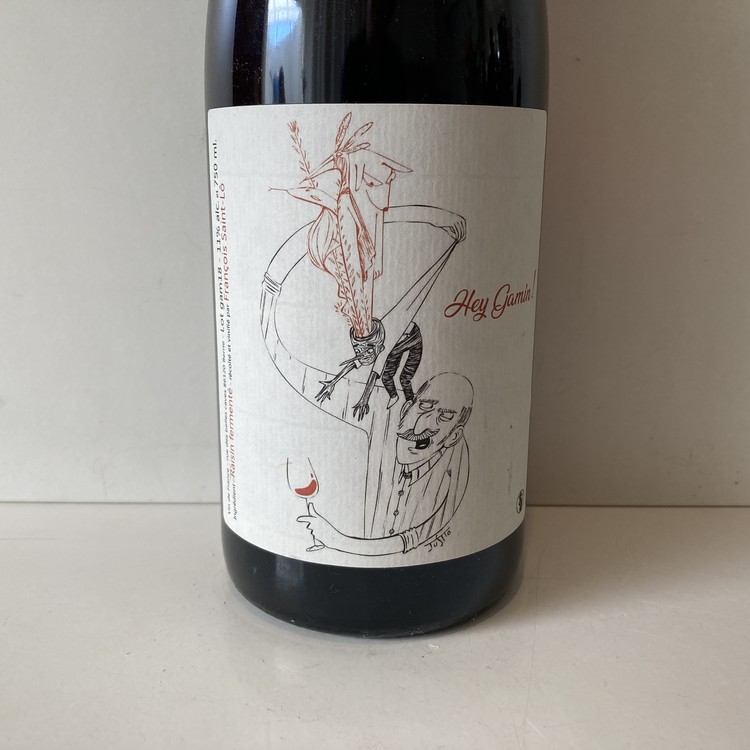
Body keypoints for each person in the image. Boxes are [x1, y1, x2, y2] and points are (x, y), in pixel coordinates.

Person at [297, 373, 473, 555]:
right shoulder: (377, 419)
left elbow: (418, 537)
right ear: (406, 408)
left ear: (454, 436)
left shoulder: (456, 465)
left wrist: (338, 541)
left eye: (444, 417)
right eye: (424, 406)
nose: (420, 426)